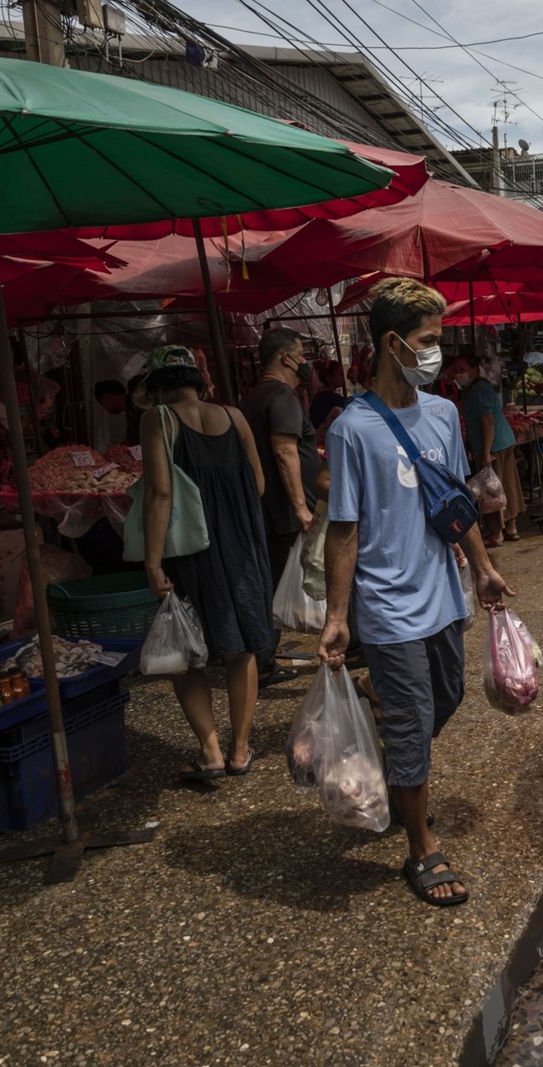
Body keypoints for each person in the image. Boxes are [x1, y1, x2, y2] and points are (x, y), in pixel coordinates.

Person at [321, 278, 514, 908]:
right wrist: (337, 615)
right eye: (429, 341)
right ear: (393, 343)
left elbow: (455, 507)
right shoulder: (351, 430)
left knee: (447, 698)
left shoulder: (443, 414)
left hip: (445, 595)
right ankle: (421, 846)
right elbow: (343, 531)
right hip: (386, 604)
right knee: (411, 730)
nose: (437, 352)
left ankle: (389, 727)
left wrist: (482, 569)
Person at [140, 345, 272, 780]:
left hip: (193, 552)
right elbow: (257, 483)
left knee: (188, 651)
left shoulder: (157, 419)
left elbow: (161, 494)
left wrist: (153, 560)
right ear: (198, 380)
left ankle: (211, 752)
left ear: (157, 388)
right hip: (243, 548)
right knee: (242, 649)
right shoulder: (234, 416)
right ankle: (239, 750)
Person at [240, 327, 322, 687]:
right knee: (279, 581)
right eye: (302, 355)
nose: (305, 362)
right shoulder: (283, 396)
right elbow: (284, 451)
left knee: (269, 582)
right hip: (285, 510)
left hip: (266, 507)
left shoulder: (254, 396)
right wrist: (302, 506)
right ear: (286, 357)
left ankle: (262, 656)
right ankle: (262, 660)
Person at [448, 351, 523, 544]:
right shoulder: (474, 388)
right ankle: (511, 528)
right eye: (456, 370)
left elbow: (487, 422)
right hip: (502, 441)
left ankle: (496, 533)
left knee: (491, 490)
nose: (458, 373)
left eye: (462, 370)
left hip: (493, 446)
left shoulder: (479, 390)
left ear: (474, 370)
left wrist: (486, 453)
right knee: (505, 486)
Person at [308, 358, 350, 432]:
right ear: (329, 378)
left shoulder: (319, 397)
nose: (343, 377)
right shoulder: (332, 399)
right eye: (340, 374)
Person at [92, 379, 133, 452]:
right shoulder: (129, 411)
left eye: (102, 404)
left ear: (107, 398)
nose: (105, 408)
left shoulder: (137, 410)